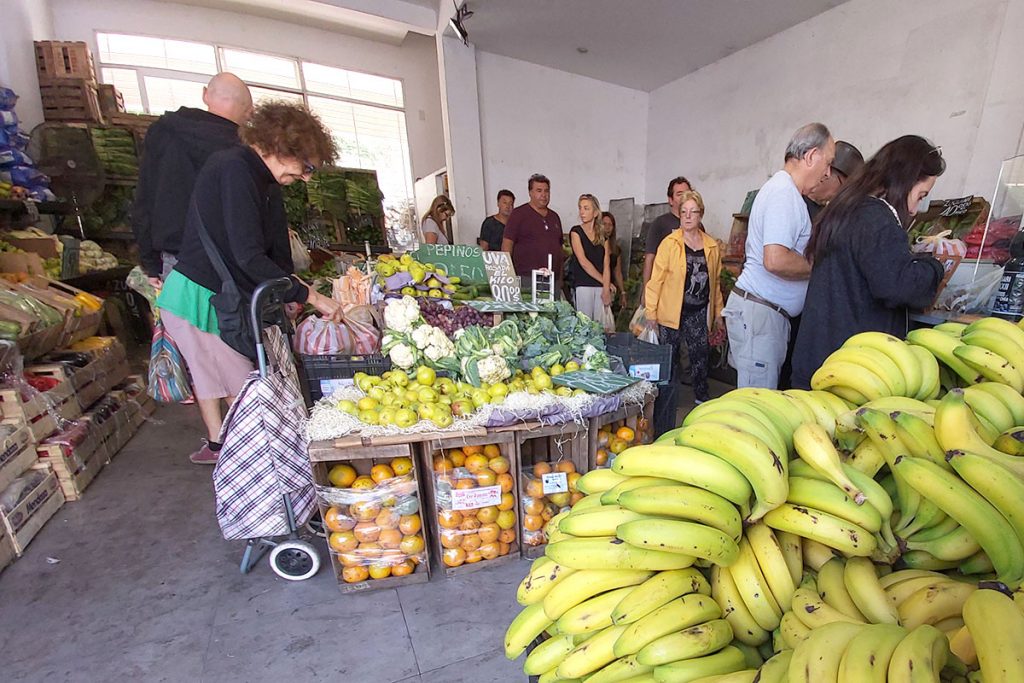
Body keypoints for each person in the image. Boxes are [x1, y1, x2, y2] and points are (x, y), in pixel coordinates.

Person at [157, 102, 343, 465]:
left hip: (218, 298)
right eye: (306, 167)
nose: (306, 178)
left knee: (244, 392)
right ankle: (259, 482)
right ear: (280, 146)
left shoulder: (258, 177)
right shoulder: (234, 170)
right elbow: (247, 256)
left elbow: (269, 251)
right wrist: (309, 295)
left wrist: (289, 293)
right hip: (200, 300)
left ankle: (251, 468)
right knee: (250, 396)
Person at [792, 136, 946, 388]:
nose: (917, 209)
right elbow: (897, 285)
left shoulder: (845, 209)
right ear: (905, 181)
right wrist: (934, 267)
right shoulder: (875, 216)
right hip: (847, 370)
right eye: (921, 195)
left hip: (821, 358)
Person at [722, 122, 835, 389]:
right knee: (756, 406)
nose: (827, 173)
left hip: (765, 316)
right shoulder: (784, 193)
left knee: (760, 401)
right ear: (810, 156)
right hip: (761, 317)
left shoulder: (786, 192)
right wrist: (821, 266)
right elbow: (775, 259)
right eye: (827, 163)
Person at [133, 73, 254, 286]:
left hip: (175, 260)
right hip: (228, 264)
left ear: (205, 95)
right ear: (248, 112)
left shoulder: (163, 132)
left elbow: (144, 197)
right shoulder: (242, 152)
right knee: (229, 319)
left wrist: (150, 262)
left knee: (180, 320)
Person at [779, 140, 865, 389]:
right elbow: (776, 259)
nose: (821, 178)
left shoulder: (825, 211)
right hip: (793, 312)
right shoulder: (794, 201)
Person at [645, 190, 724, 404]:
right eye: (684, 212)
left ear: (701, 215)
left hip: (698, 311)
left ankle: (701, 397)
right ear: (679, 214)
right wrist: (651, 312)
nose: (688, 216)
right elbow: (656, 280)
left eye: (693, 212)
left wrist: (718, 313)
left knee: (700, 355)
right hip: (671, 310)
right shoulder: (669, 244)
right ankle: (666, 400)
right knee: (670, 358)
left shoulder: (712, 246)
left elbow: (715, 283)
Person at [502, 173, 564, 295]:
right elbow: (507, 245)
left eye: (546, 191)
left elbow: (560, 248)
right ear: (530, 192)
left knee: (554, 313)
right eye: (539, 190)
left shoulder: (554, 217)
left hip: (552, 280)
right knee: (531, 314)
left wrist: (561, 278)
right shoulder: (518, 214)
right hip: (527, 279)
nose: (543, 195)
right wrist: (508, 277)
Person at [642, 176, 693, 301]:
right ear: (670, 200)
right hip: (666, 290)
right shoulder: (660, 223)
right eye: (679, 194)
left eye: (687, 193)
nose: (684, 197)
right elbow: (650, 258)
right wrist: (646, 290)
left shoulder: (697, 225)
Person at [568, 194, 611, 321]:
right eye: (580, 208)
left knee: (600, 326)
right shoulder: (576, 232)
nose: (582, 212)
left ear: (596, 212)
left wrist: (606, 288)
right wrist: (605, 283)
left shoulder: (603, 236)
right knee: (585, 325)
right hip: (583, 284)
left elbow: (606, 264)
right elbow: (583, 262)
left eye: (586, 208)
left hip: (600, 286)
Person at [804, 141, 865, 221]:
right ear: (826, 174)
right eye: (841, 187)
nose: (838, 195)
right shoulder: (793, 200)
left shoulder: (826, 215)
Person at [602, 211, 627, 310]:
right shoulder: (595, 247)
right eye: (604, 224)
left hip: (610, 288)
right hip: (596, 286)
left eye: (610, 225)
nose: (607, 227)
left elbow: (618, 272)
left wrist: (623, 292)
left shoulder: (616, 249)